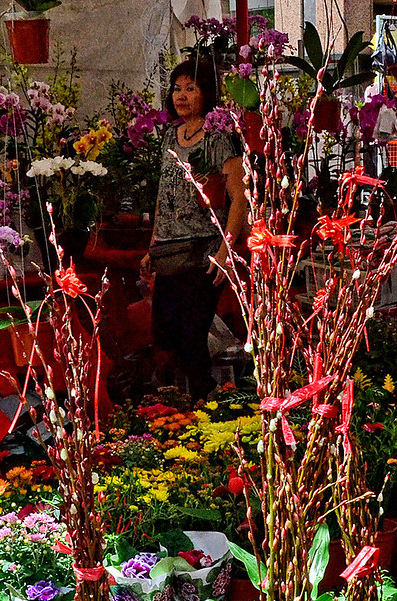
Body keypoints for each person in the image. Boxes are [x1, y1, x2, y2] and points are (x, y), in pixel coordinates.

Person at [140, 60, 247, 399]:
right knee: (165, 333)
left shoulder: (219, 138)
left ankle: (210, 402)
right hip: (171, 252)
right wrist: (153, 245)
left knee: (191, 333)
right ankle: (187, 404)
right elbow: (164, 193)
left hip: (204, 253)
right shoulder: (171, 135)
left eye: (191, 88)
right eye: (177, 88)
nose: (181, 96)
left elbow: (238, 198)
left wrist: (225, 252)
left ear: (207, 93)